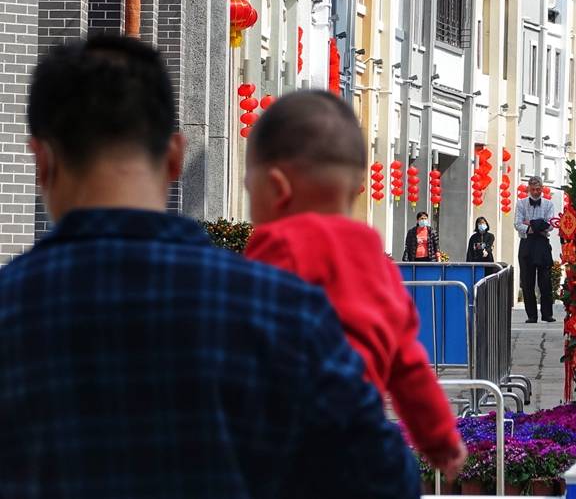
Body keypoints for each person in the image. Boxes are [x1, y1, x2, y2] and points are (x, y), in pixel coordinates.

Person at [0, 36, 420, 498]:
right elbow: (383, 479)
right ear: (175, 156)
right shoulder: (283, 310)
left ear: (42, 161)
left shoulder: (11, 309)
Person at [243, 91, 466, 478]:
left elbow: (248, 341)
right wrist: (440, 440)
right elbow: (409, 365)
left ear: (278, 189)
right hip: (373, 452)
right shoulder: (374, 259)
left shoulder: (277, 244)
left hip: (299, 445)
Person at [514, 176, 558, 323]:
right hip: (526, 244)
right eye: (533, 189)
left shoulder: (548, 204)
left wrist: (530, 224)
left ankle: (547, 314)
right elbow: (517, 224)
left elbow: (550, 224)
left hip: (543, 244)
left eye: (538, 189)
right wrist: (538, 226)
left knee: (545, 282)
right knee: (527, 282)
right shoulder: (521, 203)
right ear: (528, 189)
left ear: (542, 188)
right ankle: (531, 315)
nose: (535, 192)